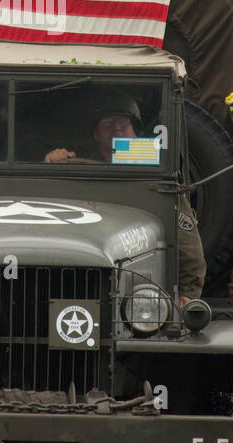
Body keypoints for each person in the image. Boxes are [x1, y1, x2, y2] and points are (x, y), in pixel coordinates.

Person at [43, 96, 205, 301]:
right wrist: (53, 162)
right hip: (74, 281)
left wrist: (186, 295)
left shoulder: (157, 175)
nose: (117, 129)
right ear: (96, 134)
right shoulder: (77, 169)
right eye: (108, 124)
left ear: (135, 131)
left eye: (124, 122)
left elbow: (189, 248)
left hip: (142, 295)